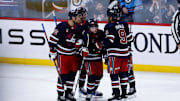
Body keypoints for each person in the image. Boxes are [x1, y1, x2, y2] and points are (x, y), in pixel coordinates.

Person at [48, 9, 83, 101]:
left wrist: (80, 45)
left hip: (73, 55)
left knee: (72, 75)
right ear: (73, 17)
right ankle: (60, 94)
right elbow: (52, 40)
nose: (80, 18)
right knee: (63, 76)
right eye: (78, 16)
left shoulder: (78, 28)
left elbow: (80, 40)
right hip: (62, 55)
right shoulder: (61, 26)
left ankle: (68, 93)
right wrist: (52, 51)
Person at [103, 6, 133, 101]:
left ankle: (116, 94)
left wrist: (102, 42)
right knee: (123, 74)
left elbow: (109, 41)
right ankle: (124, 93)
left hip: (115, 55)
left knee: (114, 74)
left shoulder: (109, 26)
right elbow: (130, 39)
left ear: (111, 16)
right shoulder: (124, 24)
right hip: (125, 54)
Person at [82, 19, 105, 101]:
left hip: (98, 58)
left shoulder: (101, 33)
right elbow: (84, 45)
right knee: (92, 76)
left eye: (95, 27)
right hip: (89, 59)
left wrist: (104, 54)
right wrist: (84, 50)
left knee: (99, 75)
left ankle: (93, 90)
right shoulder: (86, 34)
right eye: (92, 27)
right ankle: (89, 93)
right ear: (89, 28)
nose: (94, 29)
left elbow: (104, 45)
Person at [76, 7, 89, 97]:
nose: (85, 15)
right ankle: (68, 89)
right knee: (72, 72)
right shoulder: (74, 24)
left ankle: (81, 88)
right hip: (75, 51)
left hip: (84, 50)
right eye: (84, 14)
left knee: (83, 70)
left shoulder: (87, 24)